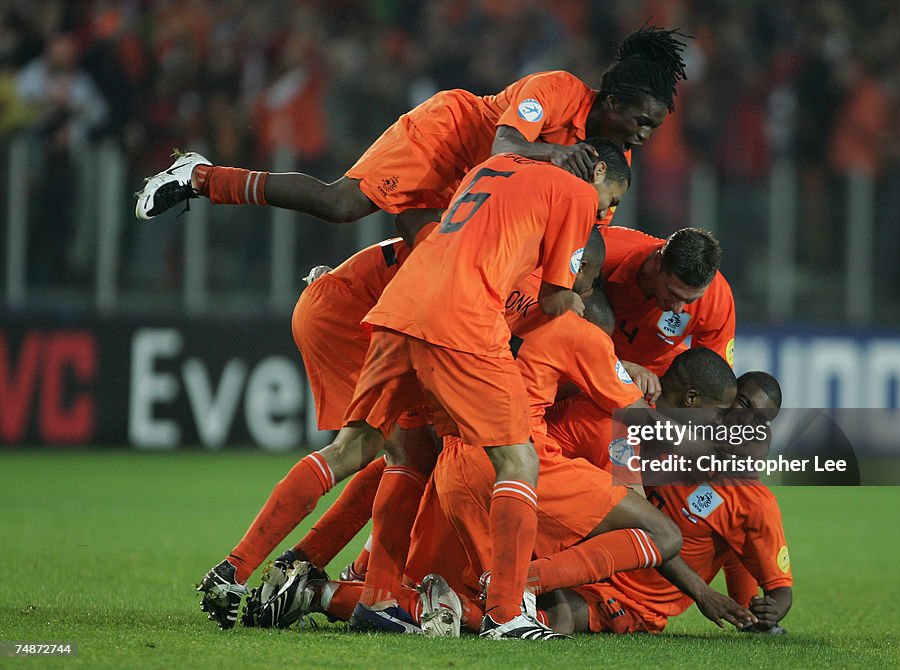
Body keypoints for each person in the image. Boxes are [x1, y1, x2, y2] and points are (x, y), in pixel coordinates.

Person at [316, 139, 630, 641]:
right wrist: (576, 309)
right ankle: (508, 615)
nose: (607, 211)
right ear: (594, 170)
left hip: (403, 306)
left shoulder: (495, 164)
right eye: (610, 197)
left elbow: (435, 225)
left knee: (364, 450)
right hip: (463, 323)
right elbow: (554, 302)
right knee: (521, 463)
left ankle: (263, 573)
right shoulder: (576, 199)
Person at [134, 26, 686, 232]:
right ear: (610, 99)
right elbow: (506, 145)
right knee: (340, 206)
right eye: (639, 119)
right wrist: (554, 159)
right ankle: (203, 177)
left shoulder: (615, 160)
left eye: (653, 127)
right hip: (448, 134)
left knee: (439, 259)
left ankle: (335, 292)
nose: (643, 133)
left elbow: (588, 229)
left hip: (475, 192)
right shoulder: (560, 89)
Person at [195, 232, 437, 630]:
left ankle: (292, 567)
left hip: (336, 302)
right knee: (386, 451)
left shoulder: (453, 224)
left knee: (393, 450)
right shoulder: (488, 244)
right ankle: (371, 597)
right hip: (357, 316)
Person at [544, 368, 793, 635]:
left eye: (758, 418)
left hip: (631, 599)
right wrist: (629, 366)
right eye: (742, 403)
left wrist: (767, 612)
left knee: (562, 615)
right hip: (578, 556)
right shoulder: (668, 434)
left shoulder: (751, 498)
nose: (745, 419)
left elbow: (778, 588)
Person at [600, 227, 736, 405]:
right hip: (593, 362)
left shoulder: (717, 298)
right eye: (673, 293)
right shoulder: (605, 251)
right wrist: (617, 367)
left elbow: (711, 384)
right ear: (658, 261)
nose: (678, 308)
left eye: (690, 300)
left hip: (653, 384)